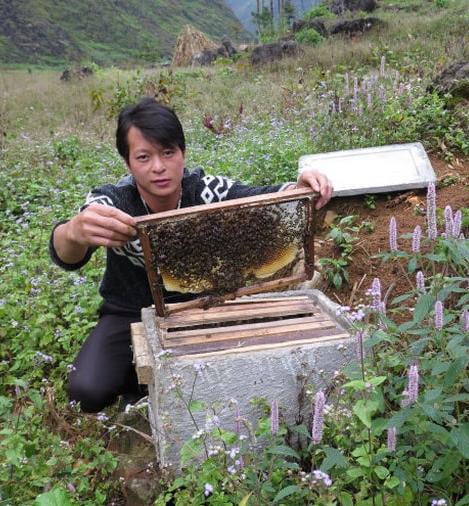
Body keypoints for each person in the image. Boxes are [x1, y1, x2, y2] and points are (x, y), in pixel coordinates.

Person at [49, 97, 333, 413]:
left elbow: (263, 197)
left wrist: (301, 188)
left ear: (182, 153)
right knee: (87, 391)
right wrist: (73, 231)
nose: (158, 167)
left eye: (168, 153)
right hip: (129, 311)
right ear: (128, 163)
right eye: (143, 157)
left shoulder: (207, 192)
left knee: (236, 378)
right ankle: (138, 383)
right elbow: (69, 254)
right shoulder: (112, 201)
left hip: (205, 307)